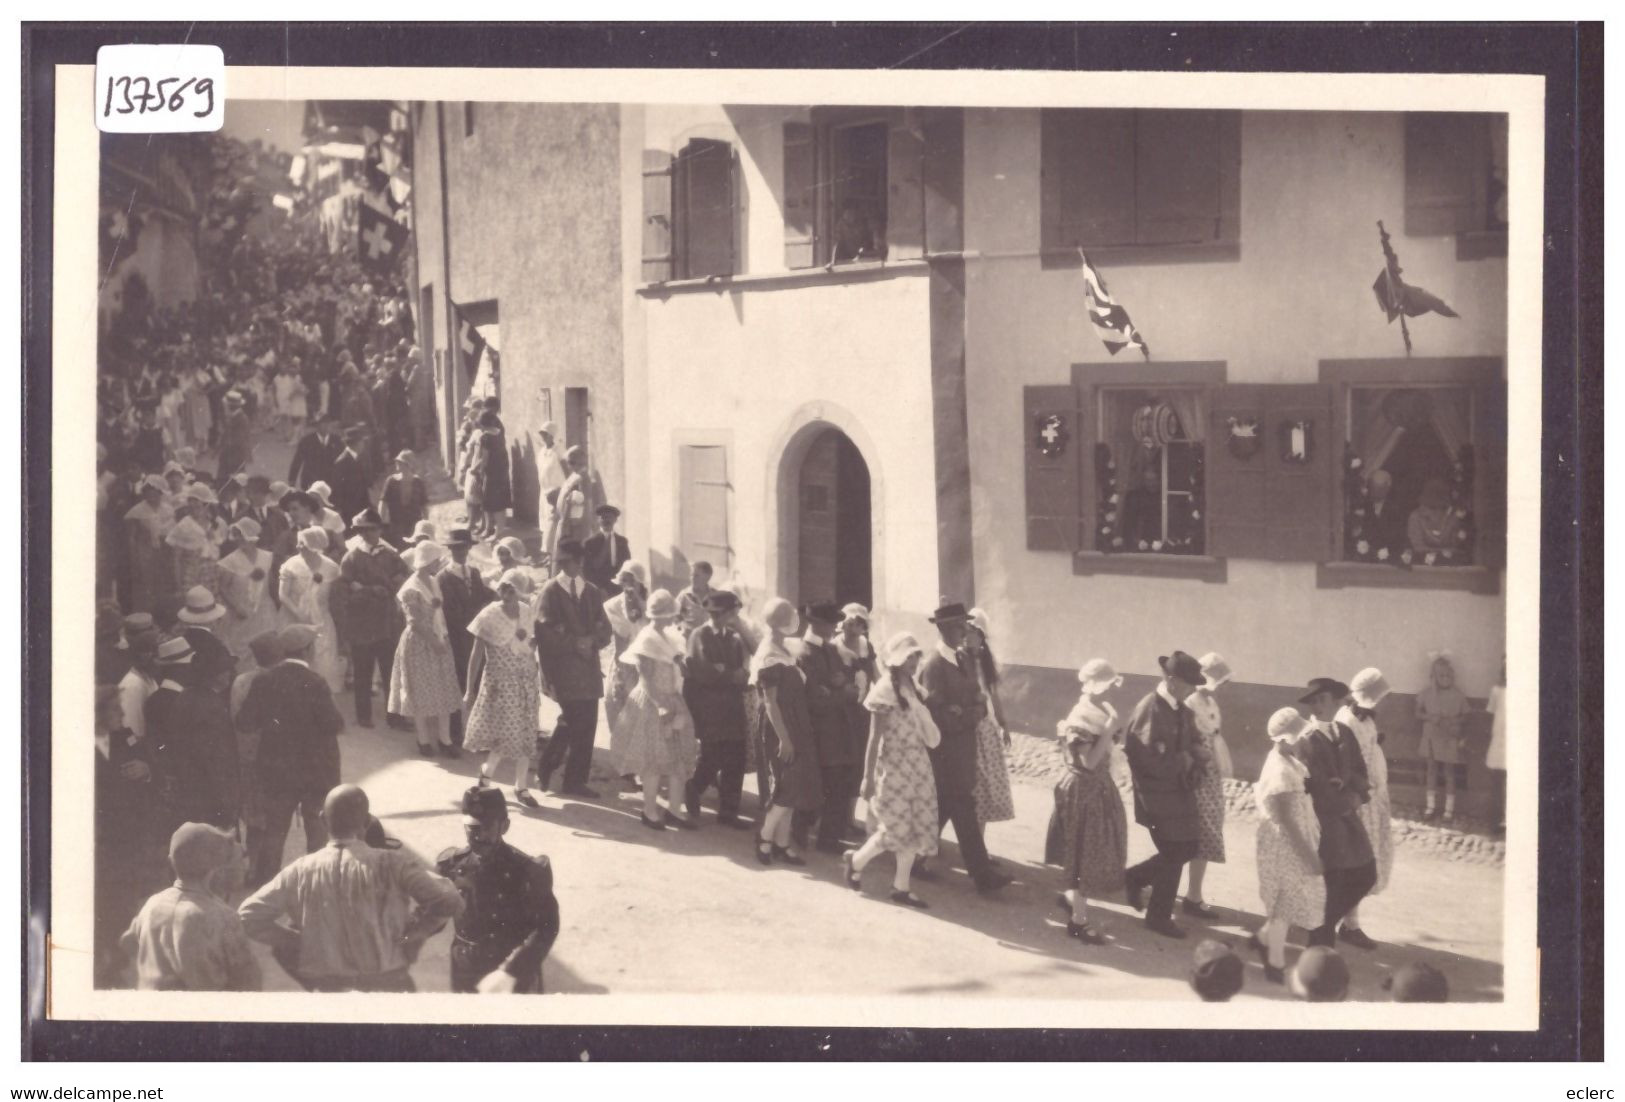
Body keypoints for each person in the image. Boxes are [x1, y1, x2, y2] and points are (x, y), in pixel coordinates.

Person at [239, 785, 465, 993]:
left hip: (329, 989)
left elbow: (248, 916)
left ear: (322, 820)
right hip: (387, 985)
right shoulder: (393, 864)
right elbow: (450, 900)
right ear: (366, 821)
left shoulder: (299, 871)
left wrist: (298, 941)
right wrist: (418, 931)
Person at [234, 623, 345, 887]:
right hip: (317, 771)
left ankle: (267, 885)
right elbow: (334, 724)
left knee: (275, 831)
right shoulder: (316, 682)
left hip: (277, 770)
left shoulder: (264, 680)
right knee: (316, 829)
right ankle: (316, 884)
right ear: (307, 650)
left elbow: (245, 723)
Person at [917, 599, 1011, 895]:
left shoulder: (965, 659)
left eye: (965, 625)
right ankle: (982, 875)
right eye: (959, 625)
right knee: (963, 807)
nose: (964, 630)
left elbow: (978, 701)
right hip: (946, 752)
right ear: (944, 628)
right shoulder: (933, 665)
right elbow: (935, 712)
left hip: (965, 747)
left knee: (947, 807)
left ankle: (917, 858)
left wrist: (967, 711)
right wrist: (964, 713)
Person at [841, 632, 940, 908]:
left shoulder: (913, 688)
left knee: (912, 827)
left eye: (916, 657)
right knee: (894, 828)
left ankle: (901, 886)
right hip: (893, 767)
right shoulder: (885, 690)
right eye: (908, 657)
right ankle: (857, 860)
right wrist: (867, 777)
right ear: (895, 660)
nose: (914, 662)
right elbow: (874, 739)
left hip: (918, 766)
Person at [437, 786, 561, 993]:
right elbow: (437, 913)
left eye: (487, 827)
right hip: (465, 967)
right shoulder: (451, 864)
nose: (478, 835)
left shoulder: (528, 870)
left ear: (504, 826)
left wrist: (511, 971)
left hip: (512, 970)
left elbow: (547, 926)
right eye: (472, 827)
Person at [1122, 649, 1209, 939]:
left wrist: (1198, 753)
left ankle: (1136, 878)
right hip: (1156, 793)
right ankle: (1158, 915)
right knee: (1175, 850)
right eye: (1189, 684)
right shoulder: (1151, 707)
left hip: (1178, 790)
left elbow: (1192, 739)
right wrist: (1182, 760)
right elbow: (1143, 756)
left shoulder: (1181, 709)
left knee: (1187, 846)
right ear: (1172, 680)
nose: (1193, 690)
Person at [1044, 659, 1129, 944]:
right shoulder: (1081, 717)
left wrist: (1110, 730)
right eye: (1107, 685)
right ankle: (1078, 922)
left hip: (1097, 789)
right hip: (1083, 790)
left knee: (1091, 851)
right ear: (1094, 686)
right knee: (1084, 852)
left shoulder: (1096, 712)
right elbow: (1089, 762)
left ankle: (1072, 899)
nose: (1111, 692)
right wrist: (1108, 730)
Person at [120, 823, 260, 992]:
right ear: (215, 869)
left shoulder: (152, 904)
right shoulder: (224, 917)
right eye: (236, 861)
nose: (242, 867)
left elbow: (128, 943)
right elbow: (248, 980)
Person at [1247, 707, 1326, 984]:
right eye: (1298, 735)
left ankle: (1262, 939)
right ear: (1283, 738)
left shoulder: (1288, 760)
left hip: (1291, 837)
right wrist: (1308, 855)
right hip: (1284, 842)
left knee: (1288, 898)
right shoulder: (1279, 770)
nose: (1302, 740)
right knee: (1284, 903)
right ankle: (1274, 962)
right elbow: (1286, 821)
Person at [1298, 677, 1376, 950]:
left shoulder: (1344, 732)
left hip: (1348, 817)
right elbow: (1315, 785)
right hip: (1325, 822)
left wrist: (1355, 793)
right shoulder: (1307, 739)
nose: (1318, 706)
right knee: (1333, 882)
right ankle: (1320, 948)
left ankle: (1323, 928)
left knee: (1367, 873)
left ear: (1335, 701)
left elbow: (1358, 770)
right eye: (1313, 701)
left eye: (1322, 699)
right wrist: (1341, 797)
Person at [533, 540, 613, 797]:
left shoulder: (590, 591)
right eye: (563, 563)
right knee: (573, 718)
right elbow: (543, 631)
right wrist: (574, 643)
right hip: (563, 670)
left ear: (580, 562)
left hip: (588, 670)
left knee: (585, 723)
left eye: (571, 562)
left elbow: (605, 628)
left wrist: (593, 641)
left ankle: (573, 780)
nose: (567, 567)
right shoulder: (550, 591)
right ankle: (547, 767)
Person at [617, 589, 700, 830]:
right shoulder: (647, 638)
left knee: (677, 759)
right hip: (653, 703)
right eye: (667, 614)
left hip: (673, 698)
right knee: (653, 759)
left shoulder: (670, 635)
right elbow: (645, 679)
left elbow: (677, 667)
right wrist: (662, 705)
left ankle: (675, 809)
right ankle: (649, 811)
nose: (670, 618)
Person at [464, 569, 543, 808]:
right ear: (498, 590)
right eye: (504, 588)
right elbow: (476, 654)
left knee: (527, 730)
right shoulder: (488, 615)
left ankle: (521, 786)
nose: (507, 593)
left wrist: (528, 643)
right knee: (505, 731)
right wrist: (470, 689)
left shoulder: (527, 611)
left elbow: (532, 641)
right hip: (500, 681)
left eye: (512, 589)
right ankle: (486, 775)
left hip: (526, 679)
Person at [751, 598, 821, 866]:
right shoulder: (769, 653)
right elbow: (770, 702)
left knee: (795, 785)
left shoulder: (784, 648)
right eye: (790, 616)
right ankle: (765, 837)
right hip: (779, 724)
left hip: (796, 722)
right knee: (784, 785)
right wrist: (784, 739)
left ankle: (782, 842)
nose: (795, 619)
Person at [145, 634, 239, 832]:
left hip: (191, 789)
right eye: (224, 671)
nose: (229, 675)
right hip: (209, 795)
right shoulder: (208, 705)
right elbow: (214, 758)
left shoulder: (187, 697)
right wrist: (227, 801)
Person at [1336, 667, 1395, 948]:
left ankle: (1347, 920)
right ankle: (1349, 924)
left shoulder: (1366, 719)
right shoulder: (1346, 719)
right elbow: (1345, 762)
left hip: (1372, 796)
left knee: (1363, 861)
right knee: (1353, 862)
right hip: (1357, 799)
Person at [683, 589, 752, 827]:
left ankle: (729, 812)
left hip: (731, 707)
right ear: (721, 613)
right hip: (709, 708)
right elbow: (703, 671)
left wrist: (729, 672)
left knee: (736, 758)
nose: (735, 616)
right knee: (712, 755)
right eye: (732, 612)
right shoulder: (699, 636)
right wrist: (728, 674)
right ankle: (694, 787)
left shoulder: (732, 637)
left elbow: (739, 670)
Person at [389, 541, 463, 758]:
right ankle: (423, 739)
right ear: (427, 560)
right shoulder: (411, 588)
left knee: (444, 689)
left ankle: (445, 738)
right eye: (436, 560)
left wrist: (442, 638)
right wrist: (435, 642)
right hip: (420, 643)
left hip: (439, 637)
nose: (439, 563)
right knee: (420, 691)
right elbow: (414, 621)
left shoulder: (433, 581)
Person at [339, 508, 410, 731]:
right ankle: (363, 715)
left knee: (391, 671)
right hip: (362, 622)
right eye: (363, 530)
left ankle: (395, 716)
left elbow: (402, 579)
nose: (368, 534)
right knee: (363, 670)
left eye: (372, 529)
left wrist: (386, 587)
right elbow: (346, 587)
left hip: (387, 622)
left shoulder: (390, 555)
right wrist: (369, 590)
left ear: (379, 529)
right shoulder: (352, 557)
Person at [796, 601, 858, 854]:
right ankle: (802, 830)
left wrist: (840, 687)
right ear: (817, 624)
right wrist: (840, 691)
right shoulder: (805, 653)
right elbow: (815, 699)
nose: (835, 628)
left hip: (836, 729)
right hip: (819, 730)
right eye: (832, 623)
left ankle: (829, 838)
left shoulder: (830, 650)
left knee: (837, 782)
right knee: (819, 783)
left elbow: (847, 684)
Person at [1181, 651, 1234, 919]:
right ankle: (1175, 891)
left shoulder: (1211, 702)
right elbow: (1187, 739)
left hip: (1210, 776)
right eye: (1220, 681)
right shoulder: (1191, 702)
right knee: (1190, 833)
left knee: (1207, 832)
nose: (1223, 687)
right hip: (1195, 775)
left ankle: (1194, 893)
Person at [438, 527, 494, 749]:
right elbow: (452, 612)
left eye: (464, 548)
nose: (460, 552)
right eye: (456, 549)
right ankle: (453, 736)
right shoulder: (444, 577)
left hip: (475, 640)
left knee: (478, 685)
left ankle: (476, 733)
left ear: (469, 548)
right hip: (458, 639)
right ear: (450, 550)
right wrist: (479, 613)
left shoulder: (474, 573)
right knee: (457, 687)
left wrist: (499, 597)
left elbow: (481, 595)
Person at [965, 608, 1016, 832]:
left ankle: (980, 848)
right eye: (966, 631)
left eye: (973, 632)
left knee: (985, 788)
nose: (969, 636)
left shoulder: (984, 662)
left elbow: (993, 694)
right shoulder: (958, 660)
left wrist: (1003, 724)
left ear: (981, 636)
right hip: (966, 727)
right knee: (972, 788)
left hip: (985, 729)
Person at [277, 526, 342, 692]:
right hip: (293, 617)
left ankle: (321, 695)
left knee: (323, 658)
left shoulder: (331, 567)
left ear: (314, 546)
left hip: (321, 618)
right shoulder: (290, 565)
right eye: (298, 543)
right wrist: (298, 613)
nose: (298, 547)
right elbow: (283, 595)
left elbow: (336, 597)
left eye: (302, 544)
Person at [603, 562, 649, 790]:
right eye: (625, 579)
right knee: (619, 709)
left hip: (647, 665)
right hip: (625, 663)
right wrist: (621, 674)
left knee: (643, 715)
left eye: (632, 579)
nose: (628, 584)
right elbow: (620, 643)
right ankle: (626, 764)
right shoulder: (612, 606)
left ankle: (640, 765)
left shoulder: (649, 606)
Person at [215, 517, 279, 659]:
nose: (239, 539)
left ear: (253, 537)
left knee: (266, 648)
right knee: (240, 650)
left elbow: (272, 584)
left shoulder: (267, 557)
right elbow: (223, 588)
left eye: (242, 535)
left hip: (264, 611)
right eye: (237, 535)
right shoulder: (230, 561)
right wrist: (237, 607)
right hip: (241, 612)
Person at [1417, 653, 1468, 822]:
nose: (1445, 678)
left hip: (1449, 737)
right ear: (1434, 676)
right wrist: (1430, 718)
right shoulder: (1426, 694)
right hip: (1431, 736)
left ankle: (1449, 810)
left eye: (1448, 675)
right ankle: (1430, 807)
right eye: (1441, 675)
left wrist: (1454, 721)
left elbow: (1466, 716)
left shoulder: (1458, 695)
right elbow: (1417, 713)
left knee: (1449, 772)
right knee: (1431, 770)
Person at [123, 475, 170, 614]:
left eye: (155, 493)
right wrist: (135, 557)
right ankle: (145, 614)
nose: (152, 497)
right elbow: (131, 537)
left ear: (161, 493)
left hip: (163, 551)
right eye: (148, 493)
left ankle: (161, 613)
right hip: (144, 551)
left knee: (161, 582)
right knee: (144, 583)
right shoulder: (137, 511)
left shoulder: (167, 509)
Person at [546, 445, 605, 555]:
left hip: (575, 525)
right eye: (569, 462)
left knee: (572, 554)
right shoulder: (574, 475)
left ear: (579, 462)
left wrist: (576, 523)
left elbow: (586, 503)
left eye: (571, 462)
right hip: (566, 521)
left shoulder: (583, 478)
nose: (568, 466)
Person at [471, 410, 512, 541]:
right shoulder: (499, 433)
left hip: (491, 473)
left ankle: (497, 532)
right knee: (496, 502)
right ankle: (492, 529)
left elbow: (484, 458)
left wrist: (476, 470)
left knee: (490, 501)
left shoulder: (485, 437)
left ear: (482, 424)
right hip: (502, 472)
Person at [379, 450, 428, 550]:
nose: (397, 464)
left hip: (414, 525)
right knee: (398, 551)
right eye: (397, 461)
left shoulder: (418, 482)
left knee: (414, 550)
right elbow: (383, 502)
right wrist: (381, 521)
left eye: (400, 462)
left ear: (408, 465)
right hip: (396, 525)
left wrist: (425, 524)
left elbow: (424, 505)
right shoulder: (391, 481)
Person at [328, 426, 373, 529]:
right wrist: (340, 508)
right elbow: (336, 488)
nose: (363, 445)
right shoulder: (342, 462)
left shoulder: (362, 457)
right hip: (349, 509)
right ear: (355, 443)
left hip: (362, 505)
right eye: (362, 442)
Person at [582, 505, 631, 598]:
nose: (606, 520)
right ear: (598, 520)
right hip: (597, 589)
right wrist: (598, 588)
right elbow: (586, 570)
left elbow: (627, 565)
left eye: (609, 517)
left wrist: (624, 585)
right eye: (603, 517)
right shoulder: (590, 543)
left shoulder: (622, 541)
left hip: (618, 588)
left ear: (615, 520)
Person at [533, 421, 567, 549]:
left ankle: (555, 551)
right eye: (542, 434)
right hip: (544, 491)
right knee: (546, 521)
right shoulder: (541, 451)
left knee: (555, 522)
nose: (543, 436)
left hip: (557, 491)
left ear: (552, 435)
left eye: (546, 434)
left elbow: (566, 470)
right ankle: (547, 551)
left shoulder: (559, 450)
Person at [286, 411, 341, 490]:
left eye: (328, 423)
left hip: (330, 482)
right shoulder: (307, 441)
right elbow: (297, 461)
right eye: (323, 423)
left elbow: (343, 461)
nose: (326, 426)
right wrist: (292, 481)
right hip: (310, 481)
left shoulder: (336, 441)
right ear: (317, 426)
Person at [1406, 476, 1459, 556]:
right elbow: (1418, 547)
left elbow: (1456, 547)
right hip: (1421, 564)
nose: (1438, 509)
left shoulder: (1452, 517)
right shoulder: (1415, 517)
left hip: (1450, 564)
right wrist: (1443, 552)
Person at [1486, 657, 1507, 834]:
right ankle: (1495, 820)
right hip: (1499, 741)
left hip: (1516, 741)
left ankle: (1510, 819)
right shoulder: (1497, 690)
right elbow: (1491, 714)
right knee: (1496, 783)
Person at [215, 390, 253, 482]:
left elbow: (239, 439)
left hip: (235, 454)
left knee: (234, 479)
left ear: (231, 406)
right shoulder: (232, 417)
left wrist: (225, 446)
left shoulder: (241, 418)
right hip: (230, 454)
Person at [675, 560, 714, 637]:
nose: (692, 578)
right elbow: (673, 616)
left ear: (707, 577)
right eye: (691, 575)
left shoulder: (715, 596)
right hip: (688, 640)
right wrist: (681, 625)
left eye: (696, 576)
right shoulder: (684, 595)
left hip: (709, 641)